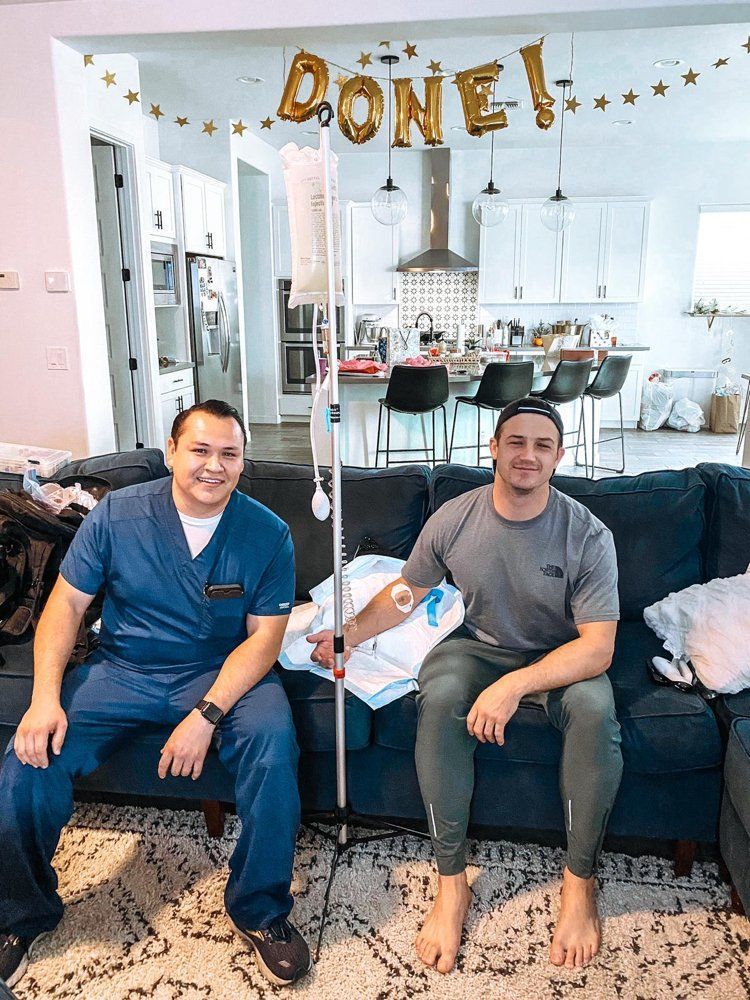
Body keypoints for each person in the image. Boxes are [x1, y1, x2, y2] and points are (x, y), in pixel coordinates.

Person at [0, 400, 311, 990]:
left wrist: (206, 714)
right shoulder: (118, 514)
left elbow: (264, 640)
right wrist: (45, 698)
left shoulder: (267, 533)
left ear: (244, 463)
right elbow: (65, 604)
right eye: (200, 450)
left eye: (229, 454)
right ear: (171, 452)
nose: (213, 466)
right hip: (124, 668)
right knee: (28, 758)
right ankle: (20, 913)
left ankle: (261, 909)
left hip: (223, 673)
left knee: (273, 745)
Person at [308, 396, 622, 974]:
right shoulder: (455, 516)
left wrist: (514, 687)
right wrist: (348, 633)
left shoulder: (586, 534)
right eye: (516, 442)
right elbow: (408, 592)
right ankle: (451, 883)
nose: (528, 455)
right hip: (478, 646)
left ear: (559, 457)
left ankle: (579, 883)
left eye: (542, 445)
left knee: (596, 715)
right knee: (444, 695)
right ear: (493, 448)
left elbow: (597, 647)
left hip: (562, 658)